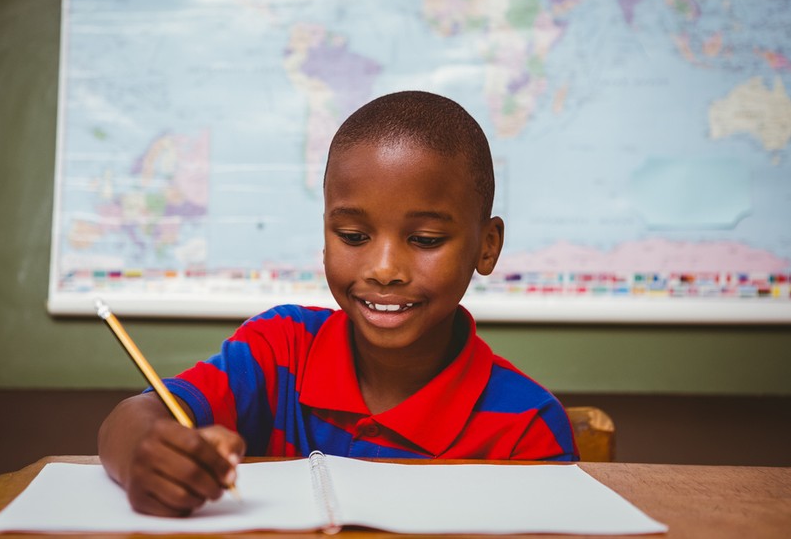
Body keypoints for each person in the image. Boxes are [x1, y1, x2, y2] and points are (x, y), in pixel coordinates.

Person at [98, 91, 578, 517]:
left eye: (425, 238)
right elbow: (132, 419)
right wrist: (149, 451)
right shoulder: (279, 351)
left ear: (486, 246)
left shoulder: (527, 427)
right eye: (353, 235)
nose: (384, 268)